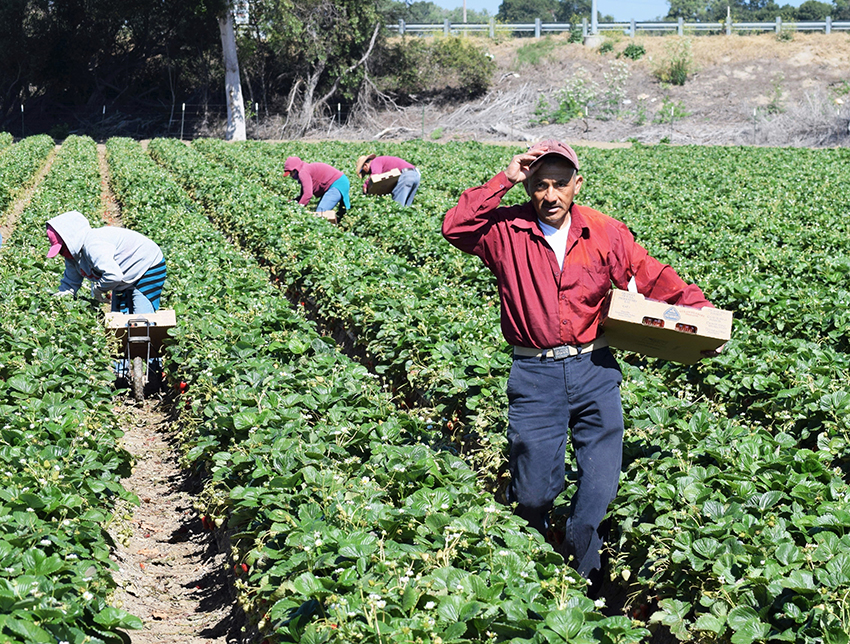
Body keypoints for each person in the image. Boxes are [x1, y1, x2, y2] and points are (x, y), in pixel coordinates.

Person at [442, 140, 717, 593]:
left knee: (598, 490)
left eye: (560, 184)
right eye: (540, 185)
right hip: (535, 375)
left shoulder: (605, 231)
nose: (551, 195)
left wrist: (703, 317)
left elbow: (651, 276)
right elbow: (455, 227)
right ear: (528, 187)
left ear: (577, 185)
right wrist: (503, 178)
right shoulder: (505, 231)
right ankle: (532, 561)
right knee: (533, 493)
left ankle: (585, 578)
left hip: (595, 369)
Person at [46, 210, 166, 314]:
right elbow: (70, 284)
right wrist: (57, 301)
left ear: (72, 240)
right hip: (124, 273)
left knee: (141, 319)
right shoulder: (72, 256)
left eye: (62, 248)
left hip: (148, 265)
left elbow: (114, 276)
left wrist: (98, 290)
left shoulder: (93, 245)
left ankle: (148, 338)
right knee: (119, 319)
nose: (61, 253)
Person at [283, 156, 351, 223]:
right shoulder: (304, 170)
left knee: (321, 212)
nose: (291, 176)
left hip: (337, 183)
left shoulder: (303, 172)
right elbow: (303, 195)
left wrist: (298, 209)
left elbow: (308, 194)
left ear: (296, 169)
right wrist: (292, 202)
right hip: (339, 182)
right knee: (336, 213)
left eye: (291, 173)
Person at [355, 154, 421, 207]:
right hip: (415, 175)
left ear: (365, 165)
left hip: (406, 176)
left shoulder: (375, 162)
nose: (367, 174)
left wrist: (366, 185)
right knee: (407, 206)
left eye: (364, 172)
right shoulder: (382, 161)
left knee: (398, 206)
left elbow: (374, 176)